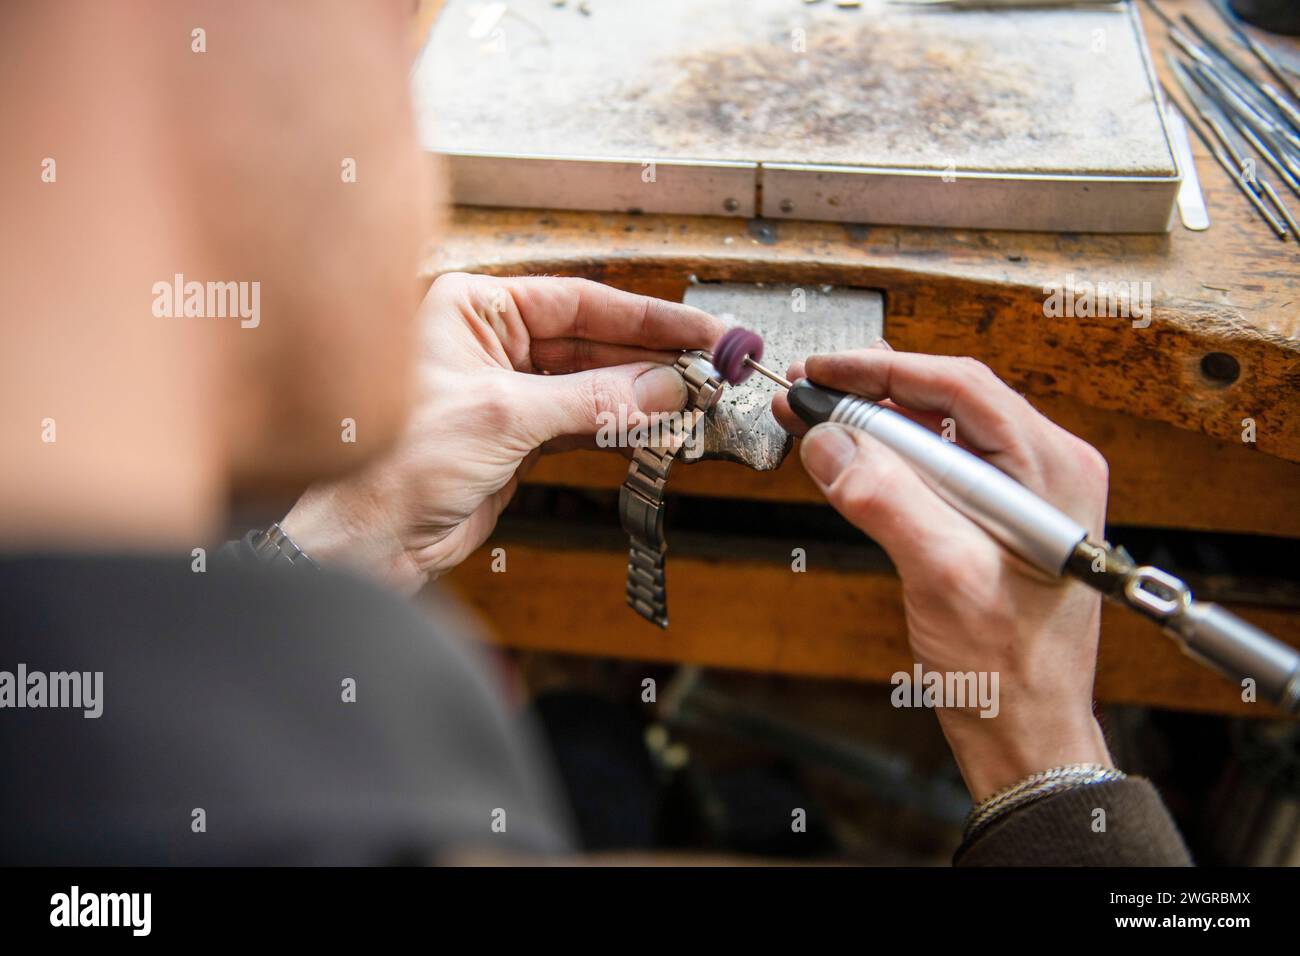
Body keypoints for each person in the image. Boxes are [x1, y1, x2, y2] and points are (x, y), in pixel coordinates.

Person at [0, 0, 1188, 865]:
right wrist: (1046, 752)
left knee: (585, 748)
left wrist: (337, 542)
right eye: (388, 26)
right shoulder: (380, 764)